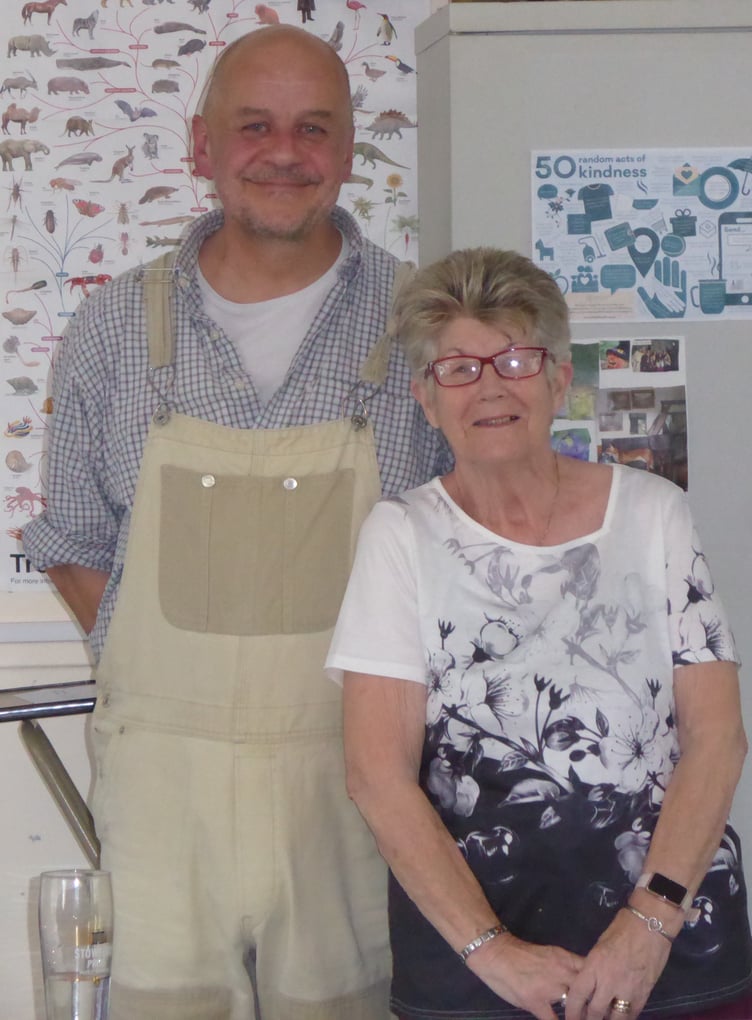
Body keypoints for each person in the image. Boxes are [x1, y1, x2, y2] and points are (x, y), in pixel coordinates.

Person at [23, 26, 448, 1020]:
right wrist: (164, 682)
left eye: (314, 128)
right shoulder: (113, 327)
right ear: (200, 146)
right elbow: (77, 544)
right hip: (164, 794)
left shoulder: (422, 325)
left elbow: (470, 545)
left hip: (352, 783)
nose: (284, 152)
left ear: (348, 151)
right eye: (253, 125)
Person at [326, 248, 752, 1020]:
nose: (489, 385)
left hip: (672, 949)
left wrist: (649, 923)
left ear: (560, 378)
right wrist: (495, 954)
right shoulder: (400, 537)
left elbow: (717, 738)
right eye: (457, 367)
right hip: (477, 964)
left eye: (516, 359)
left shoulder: (654, 513)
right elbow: (377, 778)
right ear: (427, 399)